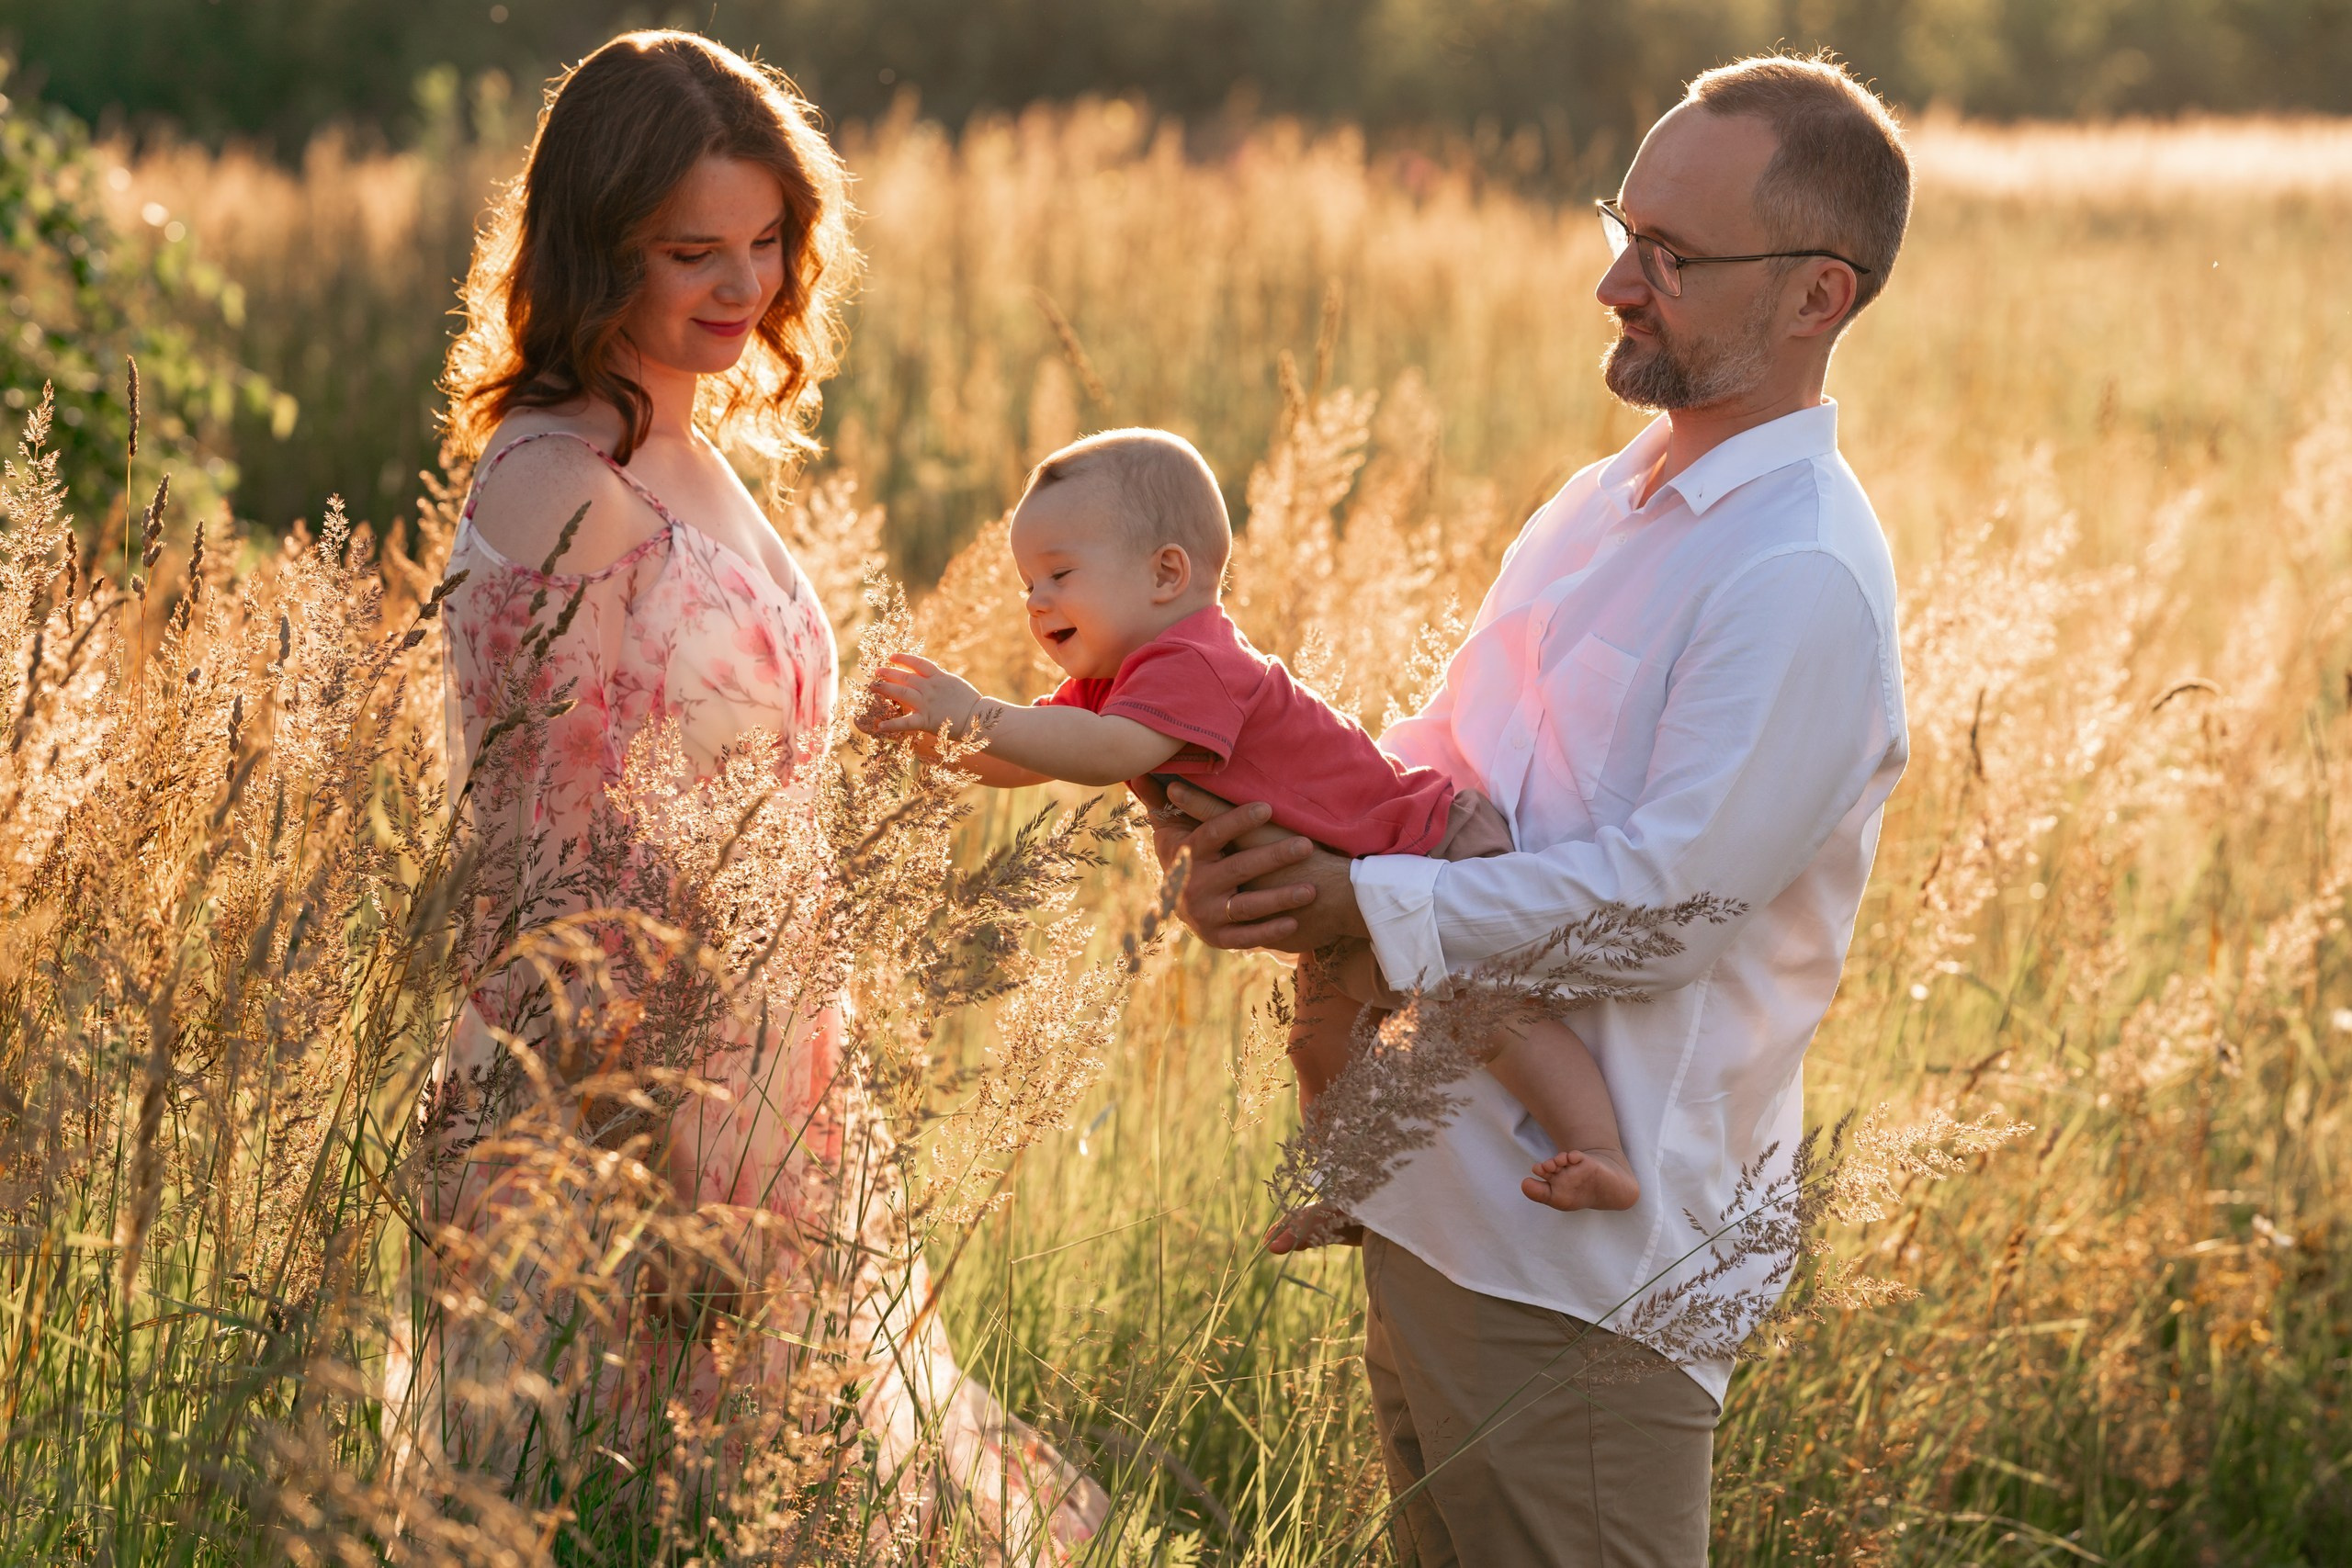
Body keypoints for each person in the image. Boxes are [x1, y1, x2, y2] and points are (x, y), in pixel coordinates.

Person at [1142, 53, 1915, 1567]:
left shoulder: (1800, 573)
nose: (1615, 282)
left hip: (1587, 1279)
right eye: (1623, 230)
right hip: (1439, 1207)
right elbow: (1447, 771)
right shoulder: (1598, 502)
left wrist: (1357, 904)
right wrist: (1260, 828)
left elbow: (1662, 911)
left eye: (1672, 256)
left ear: (1817, 295)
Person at [397, 29, 1103, 1557]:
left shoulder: (684, 442)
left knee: (791, 1491)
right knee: (647, 1499)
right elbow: (550, 868)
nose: (744, 285)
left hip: (764, 1064)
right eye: (691, 251)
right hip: (624, 1101)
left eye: (768, 241)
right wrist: (660, 1162)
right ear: (595, 249)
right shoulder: (556, 482)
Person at [865, 428, 1642, 1221]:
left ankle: (1602, 1150)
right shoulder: (1116, 677)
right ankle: (1349, 1193)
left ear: (1166, 573)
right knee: (1314, 1043)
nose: (1035, 601)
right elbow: (1036, 755)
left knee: (1487, 1014)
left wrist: (975, 712)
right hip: (1350, 891)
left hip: (1427, 850)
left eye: (1059, 574)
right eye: (1026, 582)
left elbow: (1103, 753)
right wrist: (935, 741)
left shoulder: (1194, 661)